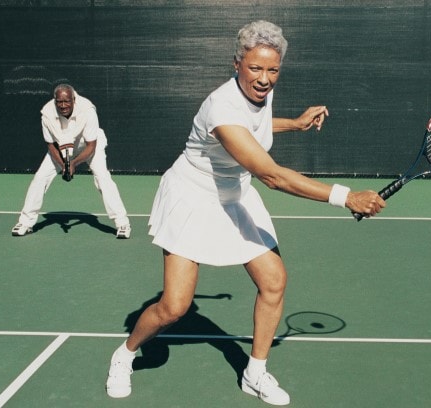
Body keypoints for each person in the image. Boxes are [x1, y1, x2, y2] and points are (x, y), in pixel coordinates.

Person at [105, 21, 385, 405]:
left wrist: (294, 123)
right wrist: (346, 196)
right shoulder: (220, 106)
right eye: (255, 68)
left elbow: (256, 124)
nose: (265, 78)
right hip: (194, 196)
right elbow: (271, 175)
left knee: (273, 281)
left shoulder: (261, 92)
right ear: (236, 64)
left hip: (234, 193)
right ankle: (124, 354)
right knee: (174, 307)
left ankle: (255, 372)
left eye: (273, 70)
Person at [11, 84, 132, 239]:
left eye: (67, 101)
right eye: (59, 102)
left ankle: (122, 223)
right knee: (40, 178)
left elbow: (92, 146)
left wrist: (73, 164)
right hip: (60, 147)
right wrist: (63, 166)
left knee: (102, 177)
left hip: (87, 145)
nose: (63, 106)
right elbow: (51, 145)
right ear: (55, 101)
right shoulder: (46, 113)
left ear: (74, 99)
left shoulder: (87, 110)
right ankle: (25, 223)